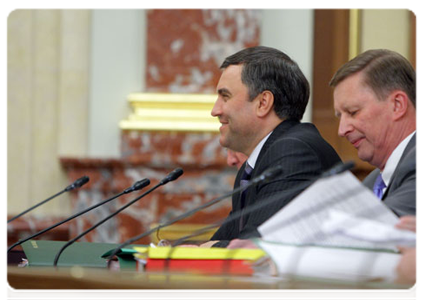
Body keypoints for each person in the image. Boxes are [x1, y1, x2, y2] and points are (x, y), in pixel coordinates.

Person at [206, 46, 341, 248]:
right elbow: (226, 240)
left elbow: (251, 247)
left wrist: (204, 249)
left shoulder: (293, 152)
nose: (215, 110)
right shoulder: (253, 166)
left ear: (263, 103)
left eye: (225, 97)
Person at [330, 49, 420, 217]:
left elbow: (385, 227)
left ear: (397, 105)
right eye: (339, 116)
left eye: (353, 112)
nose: (342, 131)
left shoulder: (418, 162)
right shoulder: (373, 181)